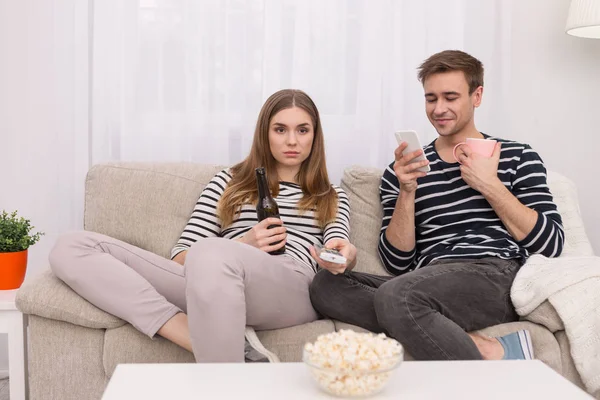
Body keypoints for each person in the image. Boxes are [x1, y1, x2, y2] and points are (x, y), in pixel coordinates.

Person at [49, 89, 356, 363]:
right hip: (210, 283)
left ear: (315, 136)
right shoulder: (228, 182)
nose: (292, 140)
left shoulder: (330, 195)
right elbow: (183, 257)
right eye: (280, 129)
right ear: (265, 134)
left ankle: (218, 370)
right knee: (71, 246)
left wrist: (345, 255)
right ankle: (199, 338)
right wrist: (243, 246)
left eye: (302, 130)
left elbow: (338, 248)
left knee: (211, 253)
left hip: (290, 287)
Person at [309, 50, 564, 361]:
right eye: (431, 98)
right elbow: (398, 263)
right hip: (427, 281)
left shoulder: (517, 156)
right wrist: (407, 190)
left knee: (397, 294)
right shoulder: (403, 169)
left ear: (477, 95)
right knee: (325, 286)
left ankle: (468, 368)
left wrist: (490, 184)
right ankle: (482, 346)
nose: (439, 109)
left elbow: (551, 245)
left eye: (450, 97)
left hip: (494, 274)